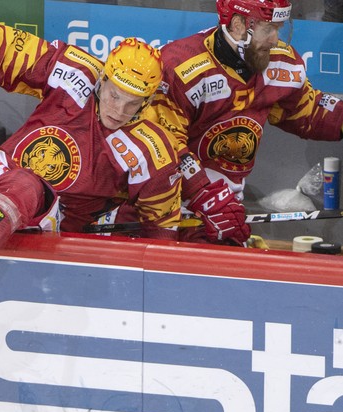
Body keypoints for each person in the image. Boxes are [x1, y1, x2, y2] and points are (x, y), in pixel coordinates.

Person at [0, 0, 184, 303]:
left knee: (25, 185)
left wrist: (154, 295)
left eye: (133, 103)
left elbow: (162, 229)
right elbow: (14, 49)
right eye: (114, 95)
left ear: (148, 100)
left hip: (43, 231)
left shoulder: (151, 147)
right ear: (103, 78)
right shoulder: (75, 70)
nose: (119, 110)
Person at [146, 0, 343, 244]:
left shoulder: (281, 62)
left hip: (226, 213)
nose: (274, 40)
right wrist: (203, 194)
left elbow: (308, 111)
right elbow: (160, 144)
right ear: (238, 24)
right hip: (169, 210)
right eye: (268, 29)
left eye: (279, 29)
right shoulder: (179, 66)